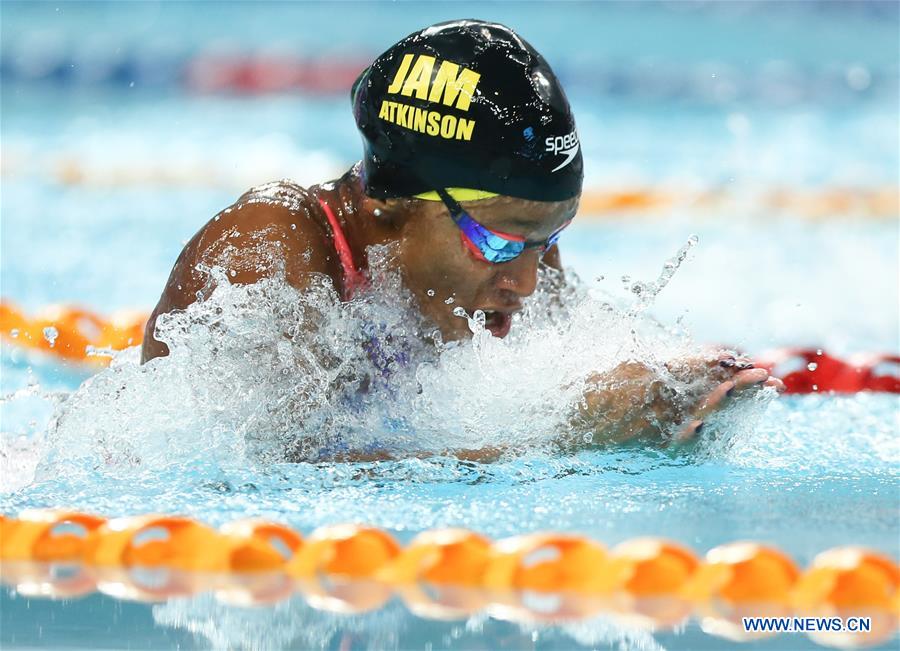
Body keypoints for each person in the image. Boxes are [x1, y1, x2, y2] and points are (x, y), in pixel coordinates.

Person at [141, 19, 783, 451]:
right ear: (393, 205)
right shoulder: (271, 252)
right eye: (502, 242)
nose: (528, 282)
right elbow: (255, 473)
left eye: (549, 239)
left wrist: (667, 397)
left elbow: (586, 369)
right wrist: (571, 432)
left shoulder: (516, 263)